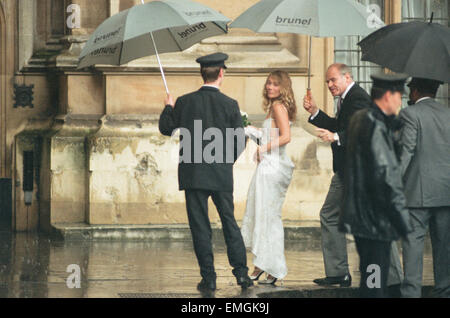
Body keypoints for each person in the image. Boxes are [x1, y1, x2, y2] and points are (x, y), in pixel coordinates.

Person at [158, 52, 253, 293]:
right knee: (229, 222)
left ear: (203, 73)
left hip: (193, 175)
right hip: (220, 175)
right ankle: (241, 274)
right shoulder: (230, 104)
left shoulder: (184, 101)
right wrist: (224, 161)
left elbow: (166, 128)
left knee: (200, 226)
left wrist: (168, 107)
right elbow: (240, 141)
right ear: (221, 73)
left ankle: (209, 277)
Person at [340, 73, 413, 298]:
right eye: (399, 95)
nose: (401, 101)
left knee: (371, 280)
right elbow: (387, 175)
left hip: (364, 219)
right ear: (388, 95)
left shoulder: (362, 118)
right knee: (374, 284)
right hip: (375, 222)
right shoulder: (376, 126)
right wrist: (403, 220)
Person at [303, 63, 372, 287]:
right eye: (327, 82)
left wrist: (337, 137)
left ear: (347, 76)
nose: (330, 85)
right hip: (347, 171)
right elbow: (339, 125)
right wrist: (315, 113)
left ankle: (379, 278)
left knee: (337, 217)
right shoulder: (346, 99)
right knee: (333, 215)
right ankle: (339, 272)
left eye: (333, 80)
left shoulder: (358, 97)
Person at [240, 71, 296, 285]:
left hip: (272, 168)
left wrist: (263, 147)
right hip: (271, 165)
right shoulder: (275, 108)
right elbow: (273, 134)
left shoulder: (277, 107)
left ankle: (267, 265)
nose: (269, 87)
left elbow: (286, 136)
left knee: (268, 216)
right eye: (268, 84)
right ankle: (266, 265)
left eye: (274, 84)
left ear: (283, 88)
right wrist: (251, 130)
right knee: (266, 216)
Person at [399, 77, 450, 298]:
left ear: (416, 91)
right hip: (446, 191)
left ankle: (411, 293)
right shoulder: (448, 114)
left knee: (413, 245)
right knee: (444, 247)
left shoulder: (410, 114)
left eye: (410, 90)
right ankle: (444, 291)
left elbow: (406, 152)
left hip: (418, 192)